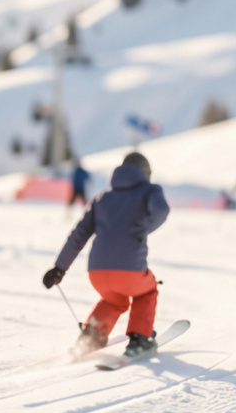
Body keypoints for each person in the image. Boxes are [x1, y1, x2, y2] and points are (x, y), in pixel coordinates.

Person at [42, 152, 170, 357]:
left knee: (114, 299)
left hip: (97, 272)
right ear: (145, 173)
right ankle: (139, 338)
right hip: (129, 270)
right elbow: (161, 210)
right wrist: (142, 229)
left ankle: (90, 337)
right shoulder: (149, 190)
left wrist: (59, 268)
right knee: (147, 291)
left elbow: (79, 235)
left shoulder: (102, 198)